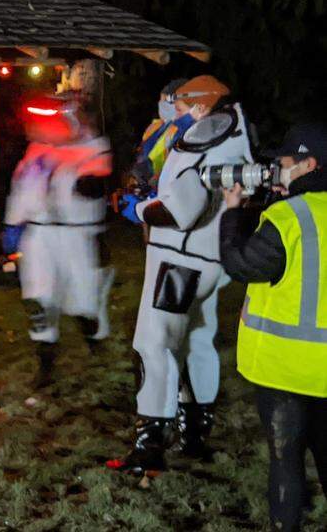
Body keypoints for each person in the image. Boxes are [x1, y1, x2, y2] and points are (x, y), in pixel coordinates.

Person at [110, 75, 251, 475]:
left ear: (202, 106)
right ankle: (194, 436)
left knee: (154, 343)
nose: (175, 111)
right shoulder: (232, 136)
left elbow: (180, 210)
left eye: (181, 104)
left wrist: (135, 210)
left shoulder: (208, 139)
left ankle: (150, 444)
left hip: (180, 260)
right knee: (196, 341)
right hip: (207, 261)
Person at [219, 122, 327, 531]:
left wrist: (233, 212)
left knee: (287, 463)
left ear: (308, 165)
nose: (276, 171)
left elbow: (241, 264)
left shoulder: (288, 217)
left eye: (283, 164)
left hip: (286, 371)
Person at [3, 94, 113, 388]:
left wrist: (88, 183)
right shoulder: (37, 150)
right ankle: (46, 364)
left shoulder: (92, 147)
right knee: (37, 299)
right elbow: (22, 187)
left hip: (76, 234)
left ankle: (93, 338)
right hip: (39, 235)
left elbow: (96, 182)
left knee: (82, 300)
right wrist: (13, 223)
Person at [130, 79, 195, 192]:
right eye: (160, 101)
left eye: (164, 101)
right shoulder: (159, 124)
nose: (161, 105)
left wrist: (156, 178)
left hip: (162, 186)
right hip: (144, 181)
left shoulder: (185, 129)